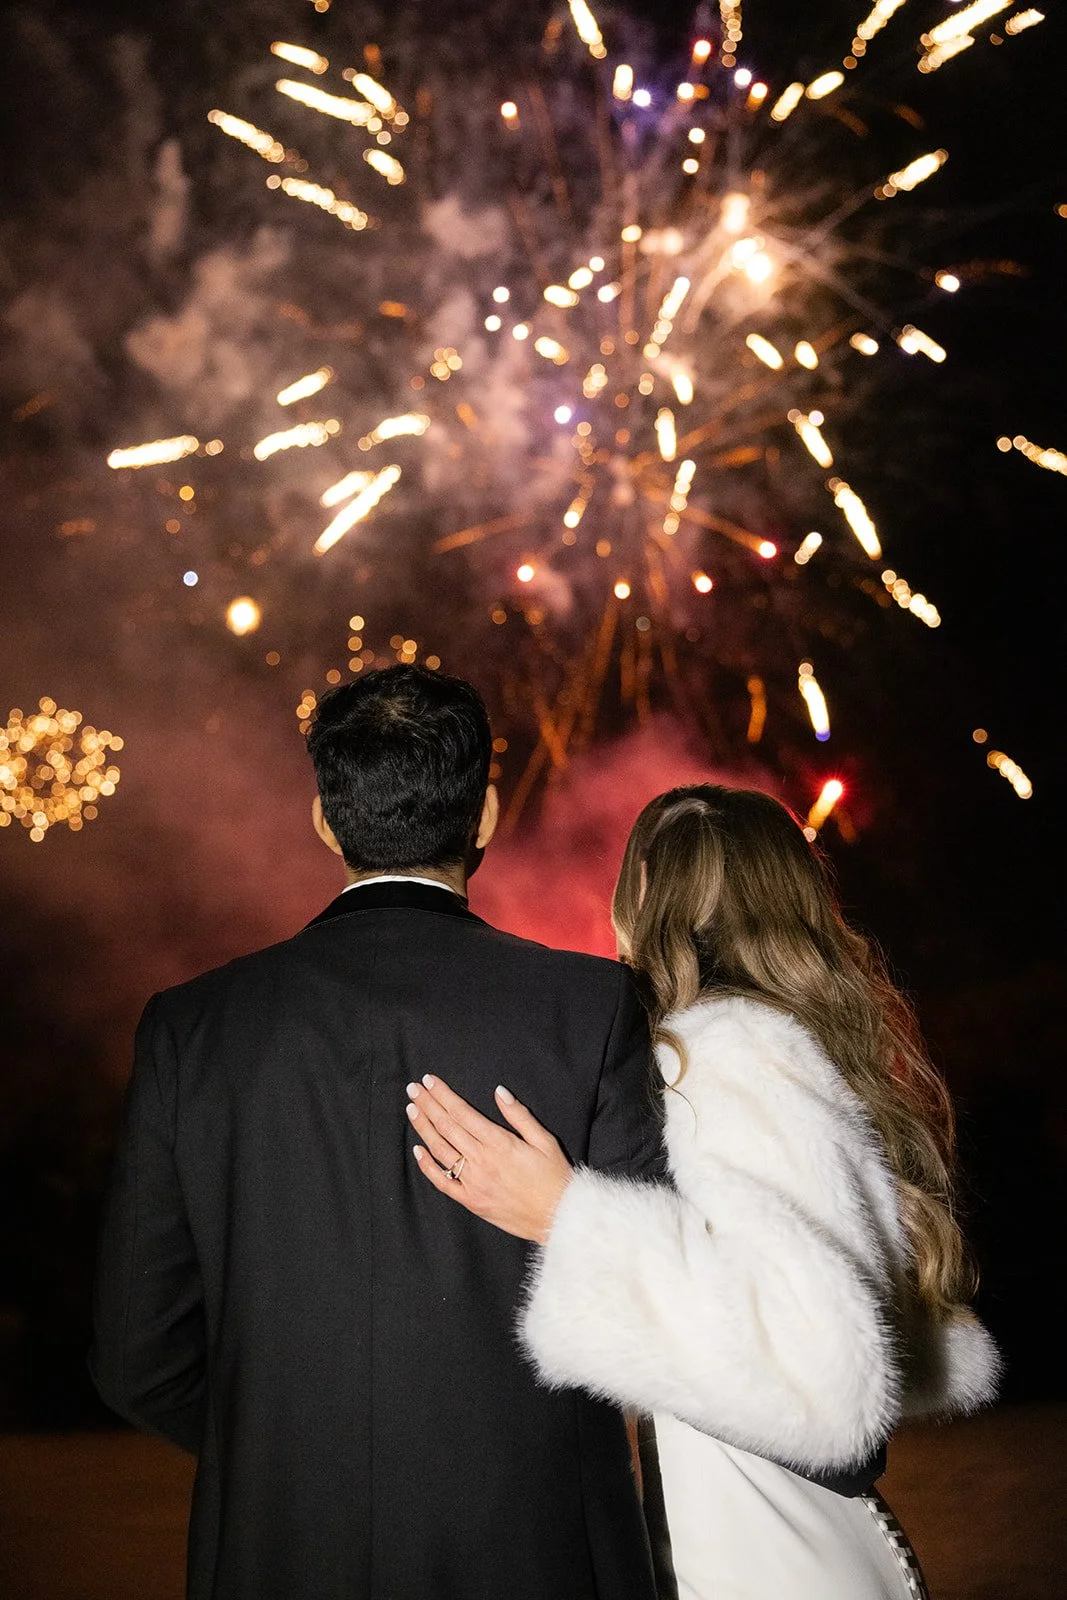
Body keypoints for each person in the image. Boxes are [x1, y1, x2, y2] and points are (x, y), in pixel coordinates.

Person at [90, 665, 667, 1600]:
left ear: (324, 819)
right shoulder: (592, 1005)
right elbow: (659, 1288)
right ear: (484, 815)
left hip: (278, 1545)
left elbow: (134, 1355)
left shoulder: (189, 1029)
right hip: (535, 1544)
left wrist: (286, 1449)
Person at [406, 784, 1001, 1600]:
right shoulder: (771, 1047)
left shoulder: (722, 1056)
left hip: (770, 1565)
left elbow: (825, 1373)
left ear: (644, 896)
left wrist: (569, 1217)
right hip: (794, 1548)